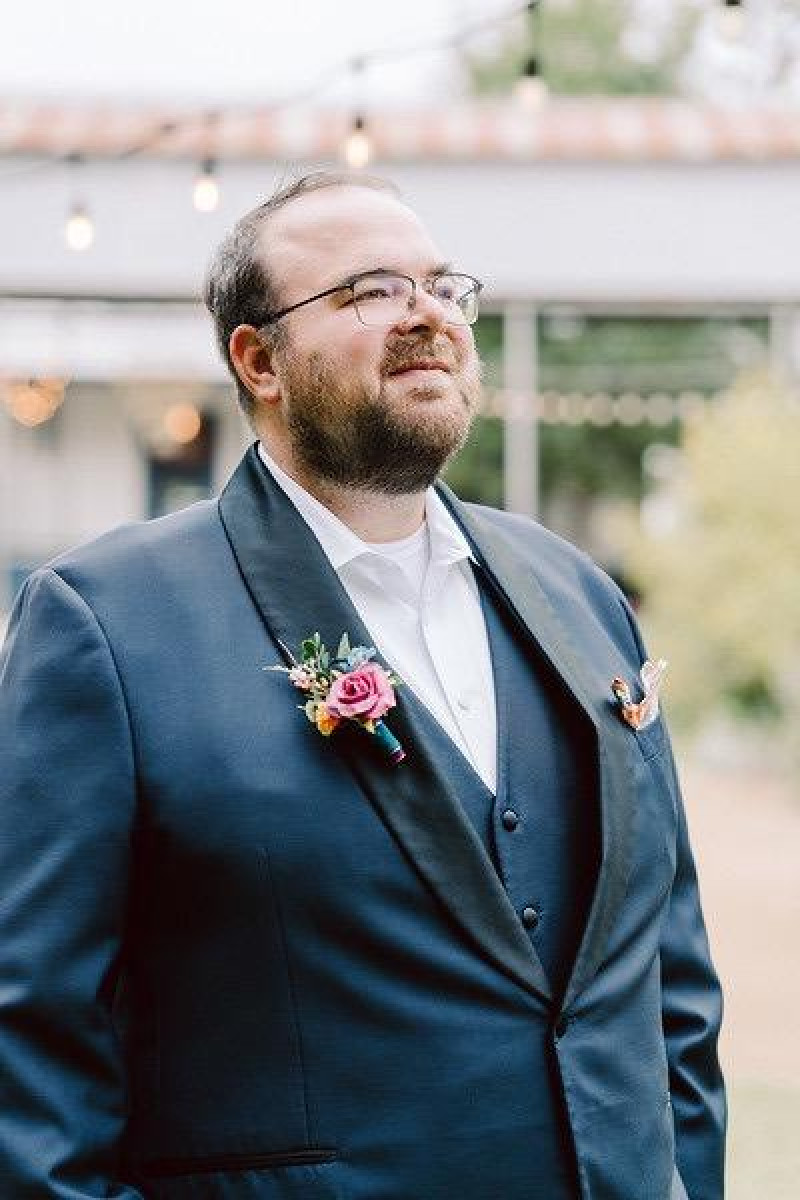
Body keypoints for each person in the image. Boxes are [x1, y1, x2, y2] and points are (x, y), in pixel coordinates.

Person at [0, 171, 725, 1200]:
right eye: (369, 290)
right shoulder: (106, 623)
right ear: (259, 360)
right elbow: (30, 1032)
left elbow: (668, 977)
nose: (426, 314)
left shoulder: (577, 593)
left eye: (441, 286)